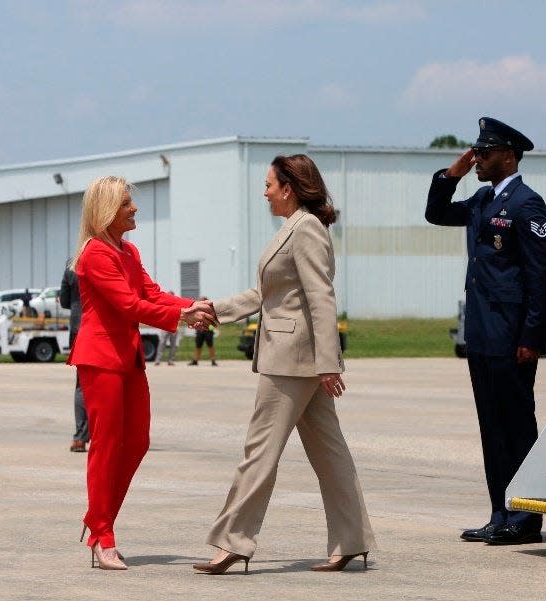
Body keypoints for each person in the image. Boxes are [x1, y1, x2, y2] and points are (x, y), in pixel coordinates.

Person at [193, 154, 374, 575]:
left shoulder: (306, 228)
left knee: (259, 452)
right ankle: (353, 540)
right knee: (331, 454)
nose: (265, 192)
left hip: (292, 361)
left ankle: (234, 541)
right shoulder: (292, 228)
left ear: (289, 187)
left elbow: (321, 297)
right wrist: (216, 309)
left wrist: (330, 362)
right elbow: (265, 295)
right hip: (298, 358)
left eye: (269, 184)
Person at [67, 175, 216, 570]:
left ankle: (97, 522)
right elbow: (128, 305)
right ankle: (103, 533)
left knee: (136, 442)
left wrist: (194, 305)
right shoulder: (95, 254)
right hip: (100, 359)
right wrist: (180, 316)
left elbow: (151, 294)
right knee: (105, 445)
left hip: (128, 360)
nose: (134, 209)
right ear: (107, 211)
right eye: (127, 204)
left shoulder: (128, 253)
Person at [424, 117, 546, 545]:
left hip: (511, 335)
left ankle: (525, 516)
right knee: (492, 426)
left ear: (508, 155)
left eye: (484, 152)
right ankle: (500, 511)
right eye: (475, 152)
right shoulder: (482, 200)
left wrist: (533, 337)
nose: (477, 158)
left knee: (516, 425)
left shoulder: (526, 203)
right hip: (482, 332)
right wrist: (451, 175)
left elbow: (542, 276)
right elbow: (437, 213)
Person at [60, 261, 88, 452]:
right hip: (101, 326)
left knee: (82, 384)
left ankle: (80, 437)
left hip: (77, 327)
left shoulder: (72, 265)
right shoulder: (107, 256)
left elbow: (64, 301)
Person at [155, 292, 180, 366]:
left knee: (173, 344)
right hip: (165, 326)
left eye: (171, 295)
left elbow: (180, 314)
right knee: (162, 343)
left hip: (174, 326)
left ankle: (171, 360)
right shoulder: (164, 304)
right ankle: (157, 360)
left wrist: (179, 324)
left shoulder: (176, 304)